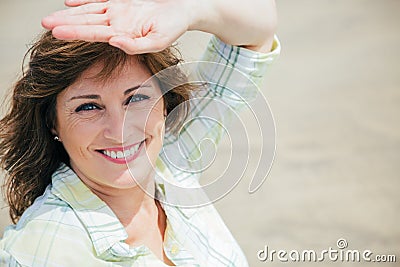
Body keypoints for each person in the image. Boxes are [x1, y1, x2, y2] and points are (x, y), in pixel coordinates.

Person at [0, 0, 280, 266]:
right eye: (89, 107)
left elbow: (259, 31)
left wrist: (188, 11)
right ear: (53, 122)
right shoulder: (40, 251)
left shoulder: (171, 157)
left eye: (135, 99)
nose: (119, 131)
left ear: (165, 102)